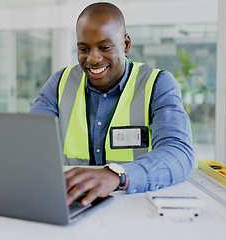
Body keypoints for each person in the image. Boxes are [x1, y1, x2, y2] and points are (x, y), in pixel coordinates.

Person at [30, 2, 194, 206]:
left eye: (104, 47)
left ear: (126, 44)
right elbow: (30, 144)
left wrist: (118, 176)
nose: (93, 59)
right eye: (84, 49)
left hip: (134, 202)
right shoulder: (59, 84)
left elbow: (179, 154)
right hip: (73, 202)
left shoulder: (158, 84)